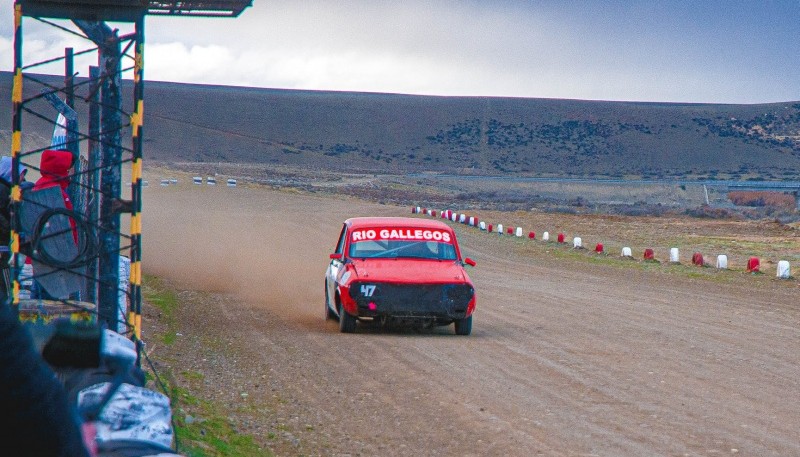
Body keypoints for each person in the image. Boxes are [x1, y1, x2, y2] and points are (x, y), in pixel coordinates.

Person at [0, 156, 32, 304]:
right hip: (3, 248)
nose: (22, 178)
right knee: (6, 289)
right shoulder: (5, 192)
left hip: (5, 245)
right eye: (20, 174)